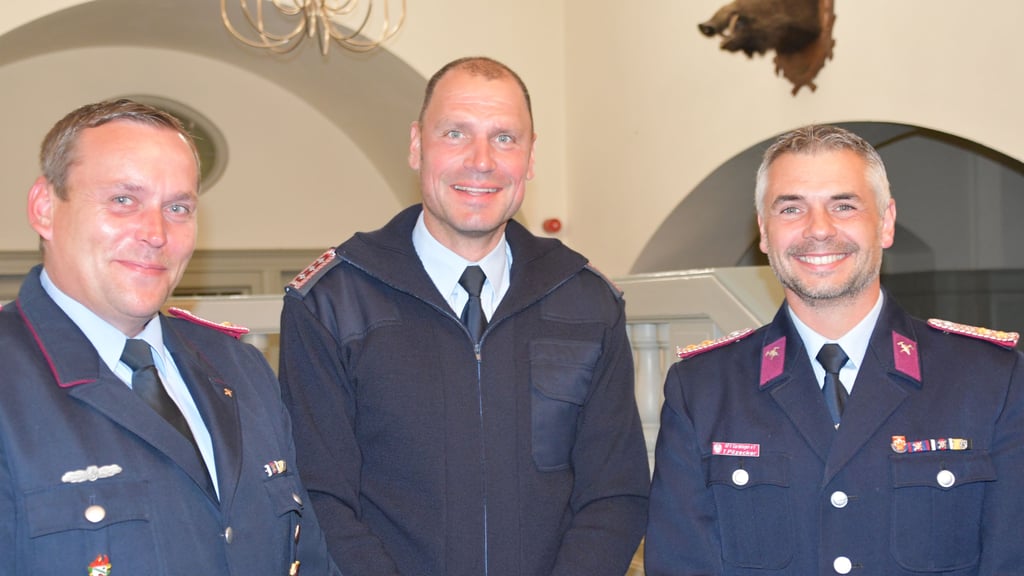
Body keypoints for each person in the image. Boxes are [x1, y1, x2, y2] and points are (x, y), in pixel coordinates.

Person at [278, 56, 650, 575]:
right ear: (417, 145)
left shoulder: (586, 301)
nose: (481, 161)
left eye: (504, 138)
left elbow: (615, 492)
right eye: (455, 133)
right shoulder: (332, 302)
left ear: (530, 156)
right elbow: (319, 494)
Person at [645, 124, 1024, 575]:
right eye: (791, 208)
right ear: (764, 232)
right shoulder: (702, 389)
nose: (819, 230)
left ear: (885, 223)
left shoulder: (991, 380)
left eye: (843, 205)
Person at [0, 98, 340, 575]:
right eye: (124, 200)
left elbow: (310, 559)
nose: (156, 233)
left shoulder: (238, 369)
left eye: (177, 207)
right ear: (43, 208)